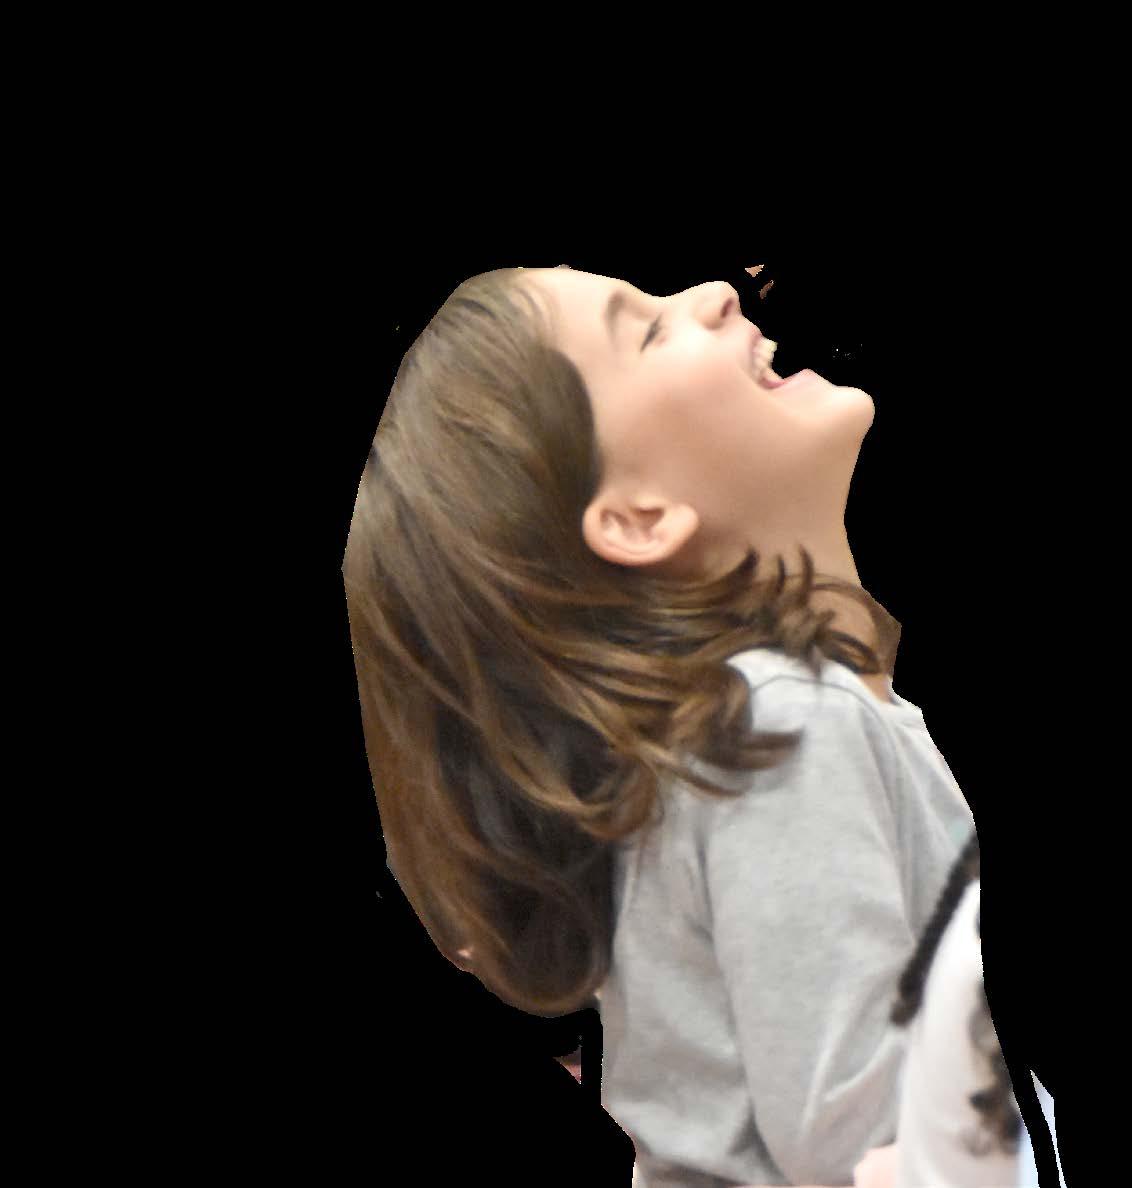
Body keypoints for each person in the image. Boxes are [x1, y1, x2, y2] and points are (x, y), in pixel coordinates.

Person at [343, 264, 975, 1185]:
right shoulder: (777, 734)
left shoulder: (718, 746)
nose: (717, 292)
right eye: (645, 329)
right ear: (639, 517)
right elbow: (880, 1155)